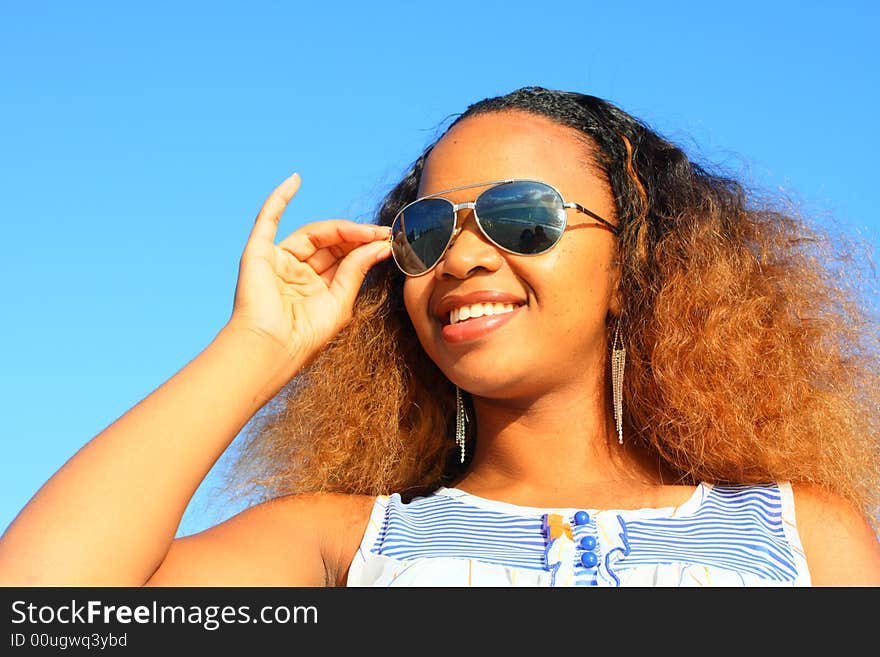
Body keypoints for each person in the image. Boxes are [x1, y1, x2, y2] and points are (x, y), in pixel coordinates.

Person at [1, 86, 879, 587]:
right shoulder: (343, 546)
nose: (460, 256)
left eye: (520, 216)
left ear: (632, 266)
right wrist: (260, 344)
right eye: (428, 229)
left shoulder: (800, 537)